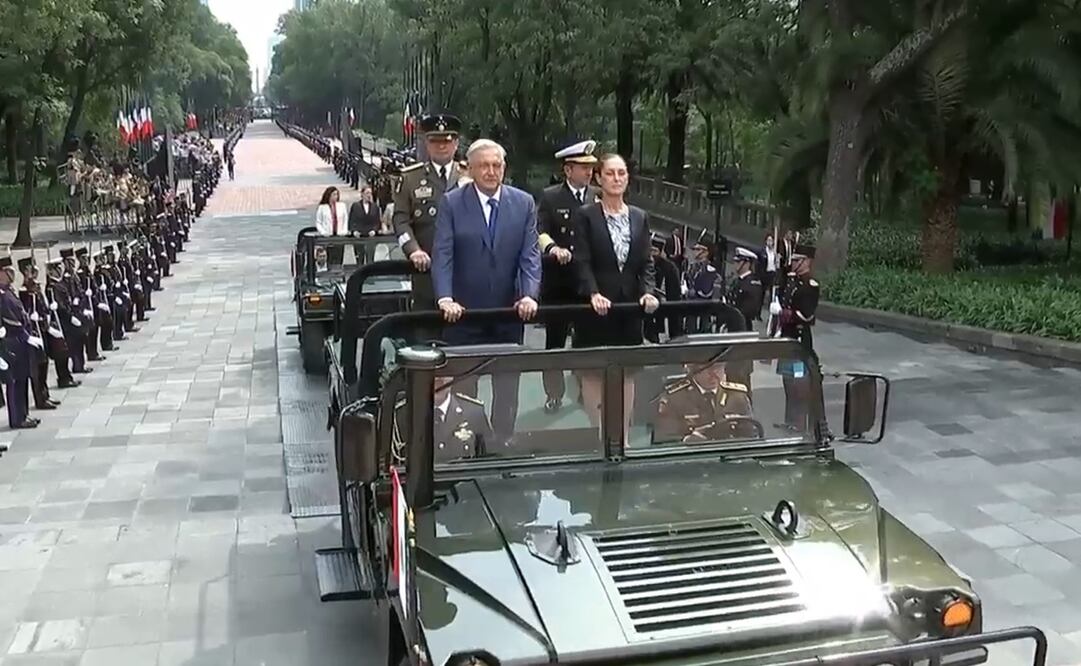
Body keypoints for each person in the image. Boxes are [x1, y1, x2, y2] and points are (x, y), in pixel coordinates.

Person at [431, 138, 541, 444]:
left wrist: (529, 294)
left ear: (504, 168)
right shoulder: (452, 203)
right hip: (464, 316)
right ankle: (468, 444)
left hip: (507, 313)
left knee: (508, 386)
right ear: (471, 168)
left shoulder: (523, 203)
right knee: (466, 387)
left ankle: (503, 441)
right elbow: (443, 254)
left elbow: (530, 255)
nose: (491, 172)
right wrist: (445, 298)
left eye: (496, 165)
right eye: (484, 166)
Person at [572, 153, 658, 425]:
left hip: (629, 310)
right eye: (610, 173)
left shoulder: (639, 217)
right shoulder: (586, 215)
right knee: (594, 373)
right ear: (598, 177)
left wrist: (648, 291)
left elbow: (646, 262)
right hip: (596, 310)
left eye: (621, 173)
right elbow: (582, 260)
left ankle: (623, 439)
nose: (616, 178)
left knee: (627, 374)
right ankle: (599, 437)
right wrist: (593, 293)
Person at [536, 139, 599, 413]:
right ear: (568, 169)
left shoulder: (598, 195)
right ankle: (554, 393)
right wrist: (553, 248)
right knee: (555, 343)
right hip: (559, 281)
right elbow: (539, 230)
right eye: (583, 167)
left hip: (588, 281)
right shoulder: (551, 197)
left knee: (587, 340)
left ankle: (587, 390)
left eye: (591, 167)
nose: (589, 172)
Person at [393, 113, 468, 323]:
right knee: (426, 339)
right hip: (427, 274)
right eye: (435, 141)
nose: (441, 146)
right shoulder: (410, 179)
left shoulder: (470, 176)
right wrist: (413, 250)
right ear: (427, 143)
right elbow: (400, 221)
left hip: (466, 271)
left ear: (456, 143)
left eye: (447, 141)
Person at [769, 244, 823, 433]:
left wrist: (782, 313)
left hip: (799, 341)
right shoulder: (792, 281)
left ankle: (800, 423)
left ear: (806, 262)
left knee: (799, 385)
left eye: (797, 260)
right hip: (787, 339)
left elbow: (806, 315)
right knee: (788, 382)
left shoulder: (810, 286)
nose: (793, 263)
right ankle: (790, 420)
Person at [653, 363, 754, 443]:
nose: (714, 373)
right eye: (708, 368)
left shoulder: (737, 396)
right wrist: (688, 440)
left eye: (718, 367)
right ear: (693, 370)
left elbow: (751, 435)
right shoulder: (675, 398)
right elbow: (665, 440)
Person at [0, 257, 39, 429]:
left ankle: (24, 414)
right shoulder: (1, 295)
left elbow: (21, 311)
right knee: (15, 382)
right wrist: (25, 334)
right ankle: (17, 418)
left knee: (23, 378)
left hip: (20, 341)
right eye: (8, 270)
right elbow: (10, 319)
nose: (12, 273)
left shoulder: (9, 291)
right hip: (12, 342)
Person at [644, 233, 683, 343]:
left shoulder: (670, 268)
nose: (652, 254)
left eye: (655, 251)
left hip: (665, 307)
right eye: (650, 250)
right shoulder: (644, 264)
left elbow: (675, 294)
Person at [683, 230, 722, 333]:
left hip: (702, 311)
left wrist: (691, 292)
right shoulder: (693, 267)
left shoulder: (710, 271)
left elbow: (706, 291)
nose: (695, 251)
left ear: (705, 252)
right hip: (691, 309)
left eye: (698, 249)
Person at [726, 247, 764, 330]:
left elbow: (750, 309)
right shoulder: (737, 281)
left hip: (743, 325)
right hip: (732, 323)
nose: (735, 264)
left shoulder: (753, 283)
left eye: (738, 262)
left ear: (747, 263)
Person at [315, 186, 349, 266]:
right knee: (330, 256)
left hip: (340, 235)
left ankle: (338, 272)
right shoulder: (322, 207)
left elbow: (345, 219)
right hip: (328, 236)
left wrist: (344, 231)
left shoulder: (342, 206)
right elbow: (318, 222)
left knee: (339, 256)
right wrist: (323, 232)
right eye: (334, 194)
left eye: (337, 194)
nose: (335, 197)